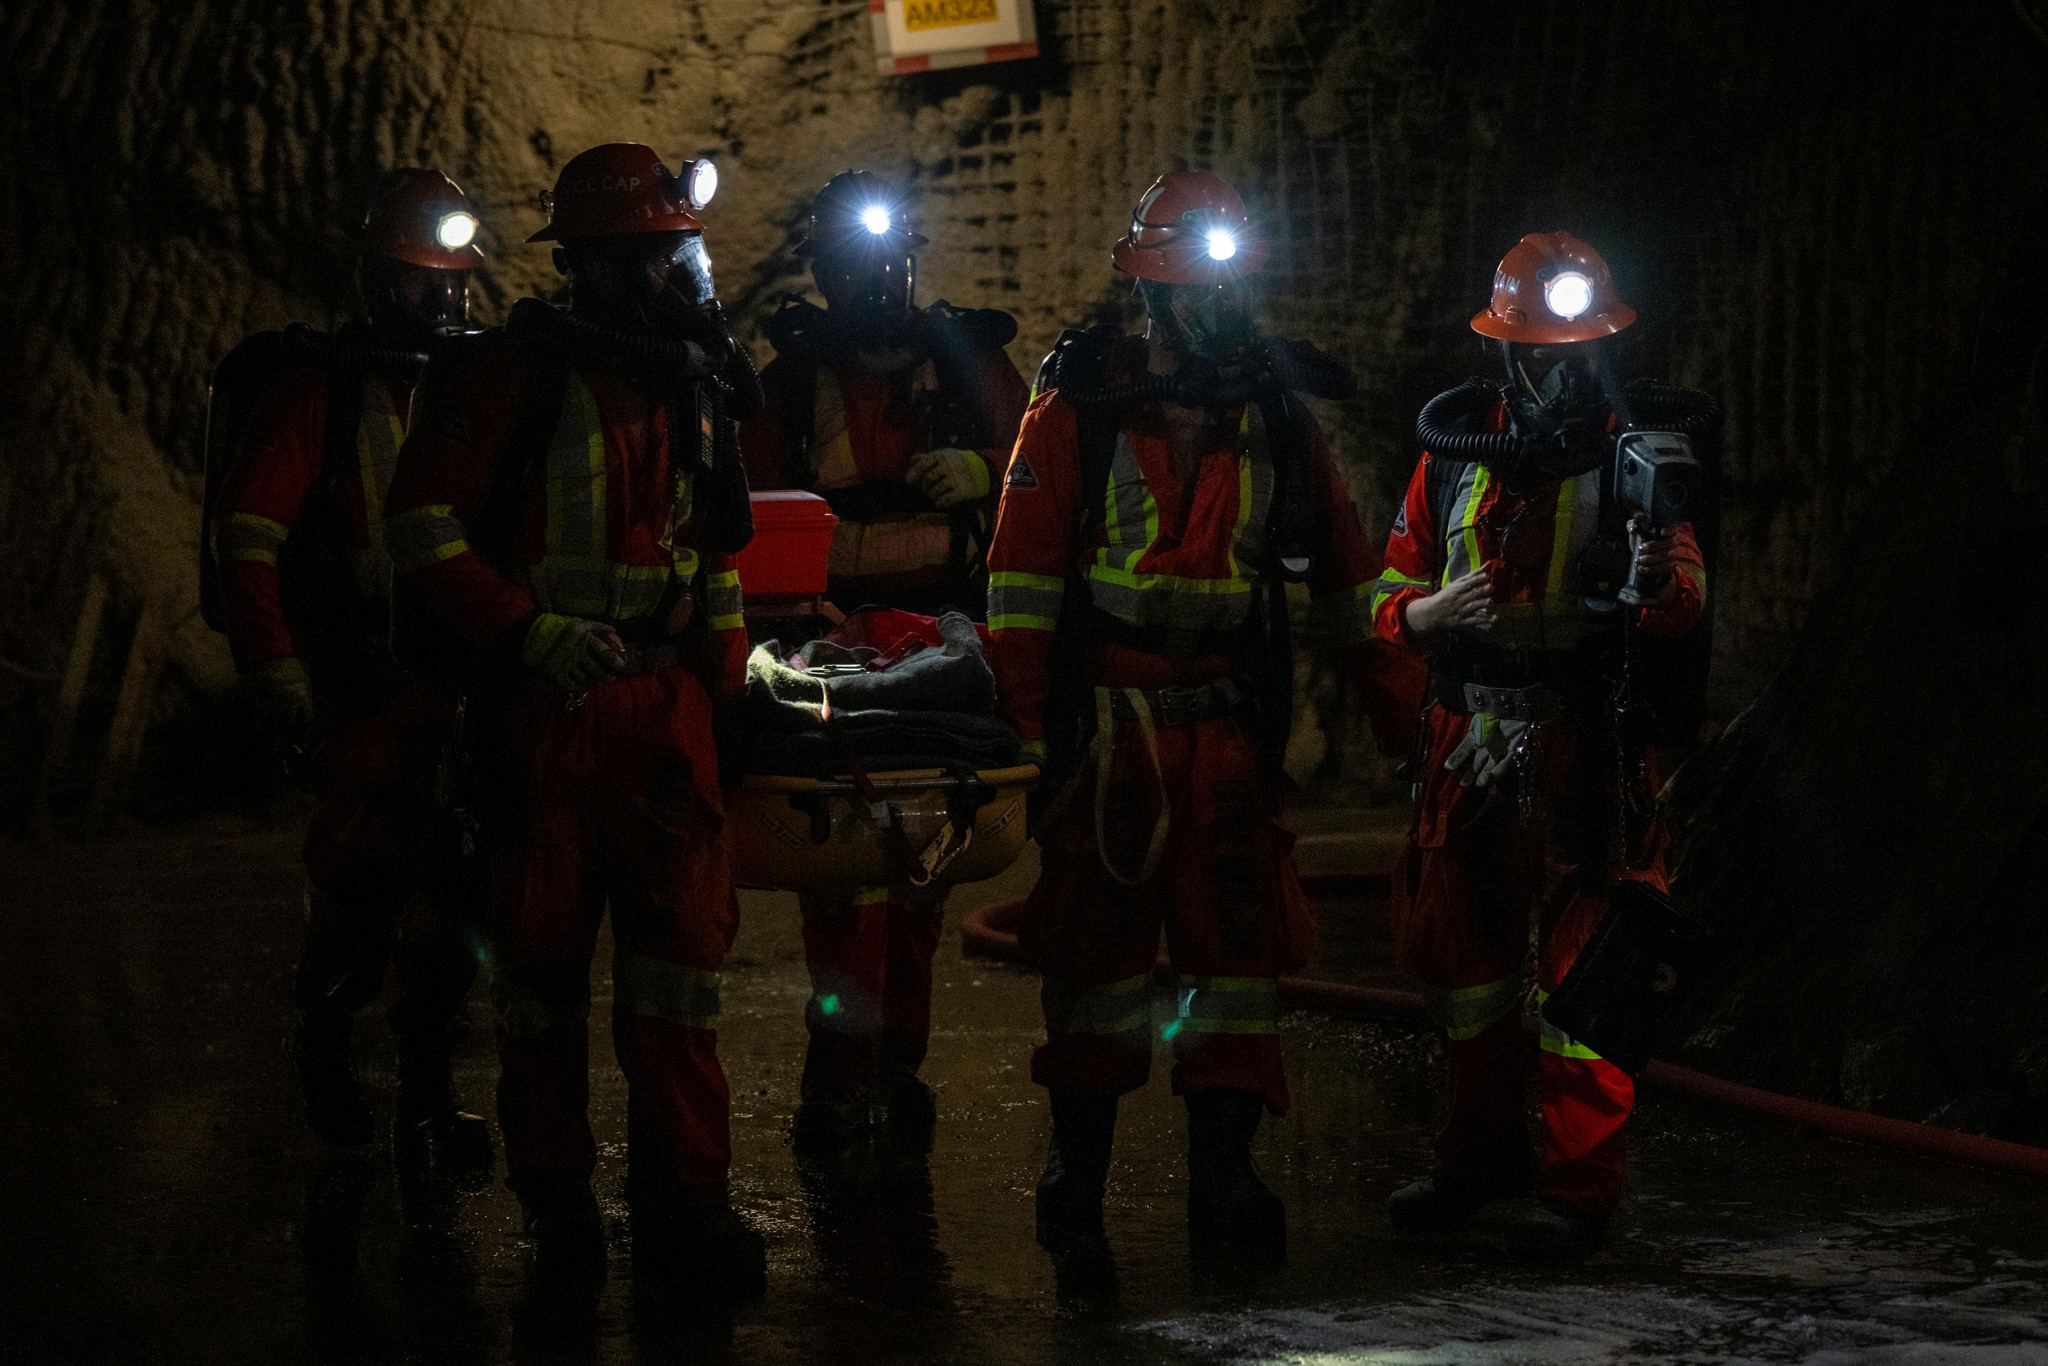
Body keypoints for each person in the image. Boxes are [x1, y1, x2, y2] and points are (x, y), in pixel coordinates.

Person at [986, 170, 1414, 1281]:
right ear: (1153, 296)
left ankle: (1226, 1174)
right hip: (1110, 733)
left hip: (1221, 724)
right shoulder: (1076, 405)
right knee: (1094, 962)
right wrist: (1028, 747)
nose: (1218, 309)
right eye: (1194, 287)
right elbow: (1019, 589)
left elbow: (1346, 593)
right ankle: (1076, 1176)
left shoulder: (1272, 414)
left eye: (1228, 287)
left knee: (1236, 958)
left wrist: (1417, 729)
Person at [383, 142, 765, 1301]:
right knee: (541, 973)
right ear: (594, 261)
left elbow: (717, 559)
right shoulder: (512, 373)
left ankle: (685, 1204)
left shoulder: (697, 382)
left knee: (678, 973)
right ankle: (557, 1204)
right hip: (546, 711)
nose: (670, 275)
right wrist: (522, 631)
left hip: (662, 708)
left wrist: (730, 690)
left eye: (677, 252)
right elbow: (420, 527)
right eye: (649, 253)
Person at [1371, 231, 1711, 1259]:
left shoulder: (1634, 452)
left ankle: (1577, 1193)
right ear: (1505, 353)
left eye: (1577, 350)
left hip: (1584, 746)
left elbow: (1684, 594)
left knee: (1585, 977)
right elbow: (1385, 590)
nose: (1558, 368)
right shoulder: (1451, 454)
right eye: (1539, 350)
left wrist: (1654, 583)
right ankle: (1471, 1165)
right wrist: (1421, 616)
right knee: (1465, 970)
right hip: (1468, 739)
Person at [739, 170, 1030, 1160]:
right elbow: (750, 518)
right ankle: (845, 1070)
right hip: (835, 648)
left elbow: (1043, 471)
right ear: (822, 268)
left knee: (920, 874)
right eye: (850, 262)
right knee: (849, 874)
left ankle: (891, 1068)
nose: (872, 281)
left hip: (944, 648)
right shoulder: (785, 386)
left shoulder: (968, 366)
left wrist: (986, 470)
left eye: (885, 259)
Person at [210, 167, 492, 1173]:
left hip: (453, 674)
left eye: (450, 280)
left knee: (459, 895)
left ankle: (427, 1096)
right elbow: (248, 534)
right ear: (374, 278)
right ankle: (325, 1037)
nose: (439, 299)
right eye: (419, 280)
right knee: (362, 884)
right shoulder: (314, 391)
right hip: (359, 681)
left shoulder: (469, 385)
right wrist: (275, 665)